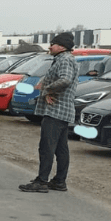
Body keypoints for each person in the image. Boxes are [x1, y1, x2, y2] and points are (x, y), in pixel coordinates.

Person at [20, 32, 78, 193]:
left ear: (62, 46)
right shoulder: (64, 59)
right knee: (61, 148)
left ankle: (42, 181)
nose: (49, 46)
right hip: (63, 111)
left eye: (52, 44)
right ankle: (59, 181)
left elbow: (65, 80)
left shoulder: (65, 60)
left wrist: (47, 90)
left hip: (56, 110)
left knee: (47, 147)